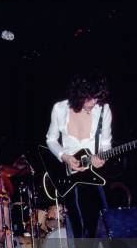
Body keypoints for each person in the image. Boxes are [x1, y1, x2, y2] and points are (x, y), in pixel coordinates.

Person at [45, 73, 112, 238]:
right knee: (80, 228)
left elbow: (105, 144)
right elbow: (51, 139)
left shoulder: (104, 110)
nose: (93, 102)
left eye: (96, 98)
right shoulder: (60, 109)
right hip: (72, 175)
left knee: (104, 227)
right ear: (78, 95)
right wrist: (64, 156)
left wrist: (101, 157)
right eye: (89, 98)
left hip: (95, 175)